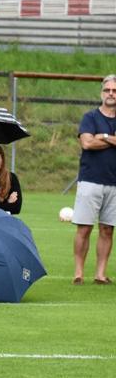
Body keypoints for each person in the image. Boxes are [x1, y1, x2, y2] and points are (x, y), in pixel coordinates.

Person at [71, 75, 116, 285]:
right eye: (107, 90)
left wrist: (103, 137)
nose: (111, 94)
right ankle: (78, 272)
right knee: (84, 228)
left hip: (114, 183)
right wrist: (111, 139)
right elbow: (87, 144)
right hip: (90, 180)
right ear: (101, 93)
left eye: (114, 91)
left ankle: (100, 273)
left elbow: (94, 139)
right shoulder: (89, 117)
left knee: (107, 229)